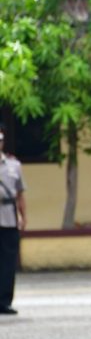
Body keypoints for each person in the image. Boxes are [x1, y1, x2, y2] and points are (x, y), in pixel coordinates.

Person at [0, 129, 26, 315]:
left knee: (8, 263)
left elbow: (20, 194)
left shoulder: (13, 165)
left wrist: (23, 216)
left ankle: (5, 301)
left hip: (8, 219)